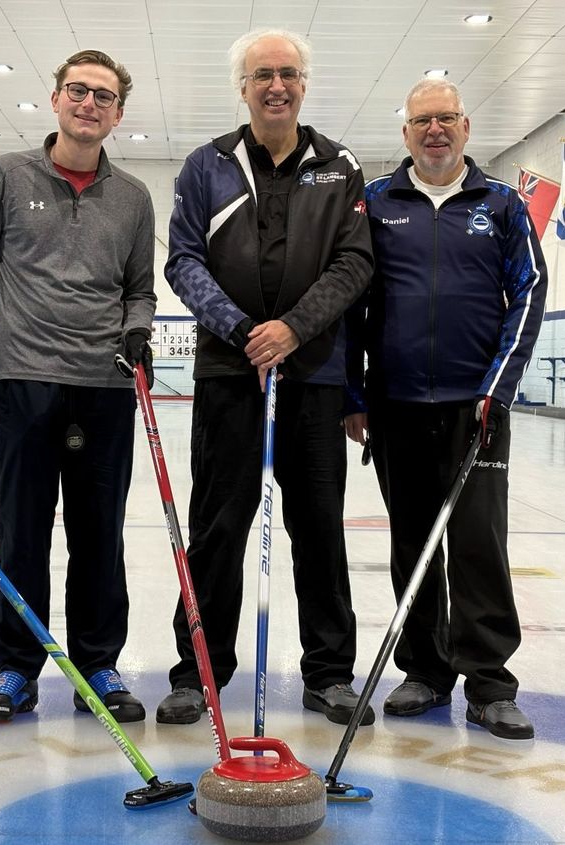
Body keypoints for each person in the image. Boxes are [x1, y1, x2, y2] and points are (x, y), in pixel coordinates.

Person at [158, 29, 374, 727]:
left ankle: (330, 674)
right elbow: (183, 260)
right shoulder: (206, 165)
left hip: (313, 378)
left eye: (288, 74)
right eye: (262, 76)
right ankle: (198, 672)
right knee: (217, 528)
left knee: (319, 529)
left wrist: (293, 330)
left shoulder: (340, 167)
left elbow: (354, 263)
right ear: (243, 87)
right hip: (230, 374)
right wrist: (243, 331)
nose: (276, 86)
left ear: (303, 84)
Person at [0, 50, 156, 724]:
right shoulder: (6, 176)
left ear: (118, 114)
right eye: (78, 90)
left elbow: (140, 290)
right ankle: (16, 666)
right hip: (23, 382)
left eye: (103, 96)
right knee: (22, 530)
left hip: (104, 387)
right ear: (56, 98)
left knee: (100, 535)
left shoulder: (133, 197)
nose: (89, 103)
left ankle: (98, 664)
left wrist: (137, 330)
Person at [344, 78, 547, 740]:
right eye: (422, 120)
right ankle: (425, 671)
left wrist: (499, 387)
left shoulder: (503, 204)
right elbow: (350, 302)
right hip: (396, 405)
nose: (435, 130)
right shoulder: (376, 202)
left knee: (479, 542)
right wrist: (354, 394)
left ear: (465, 128)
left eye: (446, 118)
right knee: (414, 542)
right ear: (405, 132)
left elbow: (529, 292)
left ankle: (489, 682)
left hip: (476, 406)